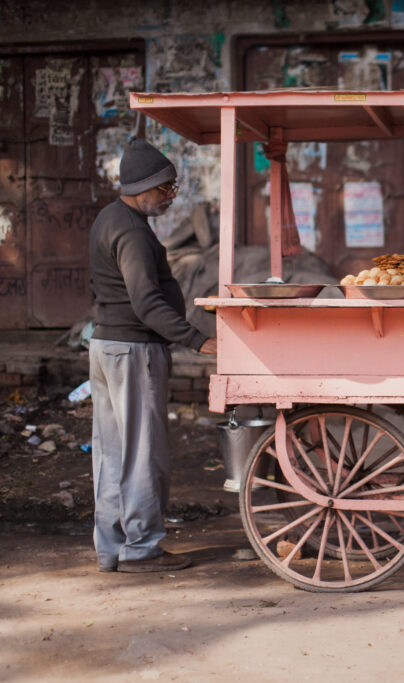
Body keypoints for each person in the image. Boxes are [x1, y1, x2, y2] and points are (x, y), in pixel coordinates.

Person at [88, 137, 217, 573]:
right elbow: (146, 302)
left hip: (108, 346)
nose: (168, 197)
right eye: (166, 189)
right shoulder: (131, 230)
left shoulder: (109, 218)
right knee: (143, 454)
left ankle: (112, 549)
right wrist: (197, 339)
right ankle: (141, 550)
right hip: (134, 351)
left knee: (112, 453)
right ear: (144, 186)